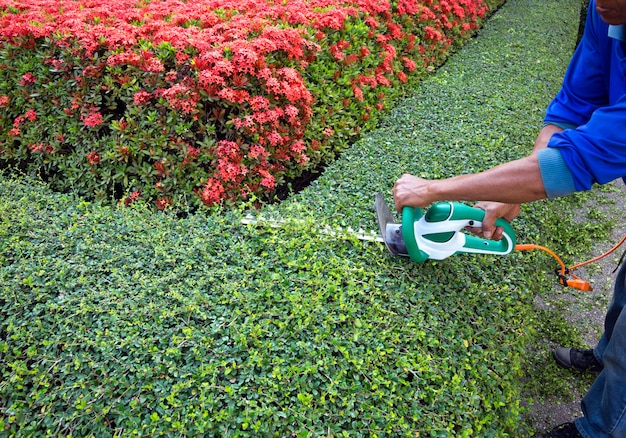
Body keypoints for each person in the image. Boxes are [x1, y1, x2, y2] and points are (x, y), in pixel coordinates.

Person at [393, 0, 626, 436]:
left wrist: (434, 189)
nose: (601, 2)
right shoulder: (607, 11)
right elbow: (573, 106)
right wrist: (511, 194)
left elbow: (580, 159)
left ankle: (600, 428)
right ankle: (606, 354)